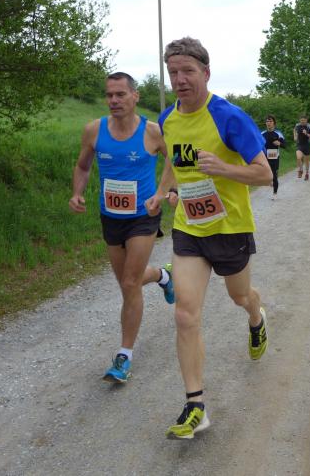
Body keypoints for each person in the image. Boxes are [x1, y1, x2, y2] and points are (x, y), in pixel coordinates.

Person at [146, 37, 272, 440]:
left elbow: (264, 173)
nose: (180, 79)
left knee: (240, 296)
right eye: (173, 72)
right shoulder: (168, 118)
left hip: (230, 227)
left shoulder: (229, 117)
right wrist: (163, 191)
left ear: (206, 73)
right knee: (185, 314)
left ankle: (256, 316)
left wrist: (224, 169)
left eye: (188, 71)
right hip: (189, 227)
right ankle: (195, 405)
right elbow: (174, 159)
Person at [69, 72, 176, 384]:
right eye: (109, 95)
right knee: (128, 282)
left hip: (143, 216)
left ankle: (124, 356)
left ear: (135, 96)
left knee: (130, 283)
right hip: (111, 216)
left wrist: (163, 192)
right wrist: (76, 193)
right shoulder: (94, 130)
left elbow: (173, 161)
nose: (114, 100)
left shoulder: (153, 131)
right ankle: (163, 276)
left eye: (120, 94)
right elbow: (83, 166)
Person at [261, 114, 285, 200]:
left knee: (274, 175)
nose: (268, 123)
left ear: (274, 123)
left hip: (274, 156)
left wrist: (279, 143)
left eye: (270, 121)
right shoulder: (262, 134)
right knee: (265, 173)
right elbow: (257, 144)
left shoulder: (278, 134)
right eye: (267, 121)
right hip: (264, 156)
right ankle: (270, 180)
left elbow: (285, 145)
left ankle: (275, 193)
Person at [293, 115, 310, 180]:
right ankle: (301, 170)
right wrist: (295, 136)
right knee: (298, 157)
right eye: (301, 120)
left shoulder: (309, 126)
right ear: (300, 120)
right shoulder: (297, 125)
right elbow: (294, 130)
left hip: (307, 145)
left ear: (306, 120)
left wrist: (307, 134)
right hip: (299, 144)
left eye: (304, 120)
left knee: (306, 161)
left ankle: (307, 173)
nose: (302, 121)